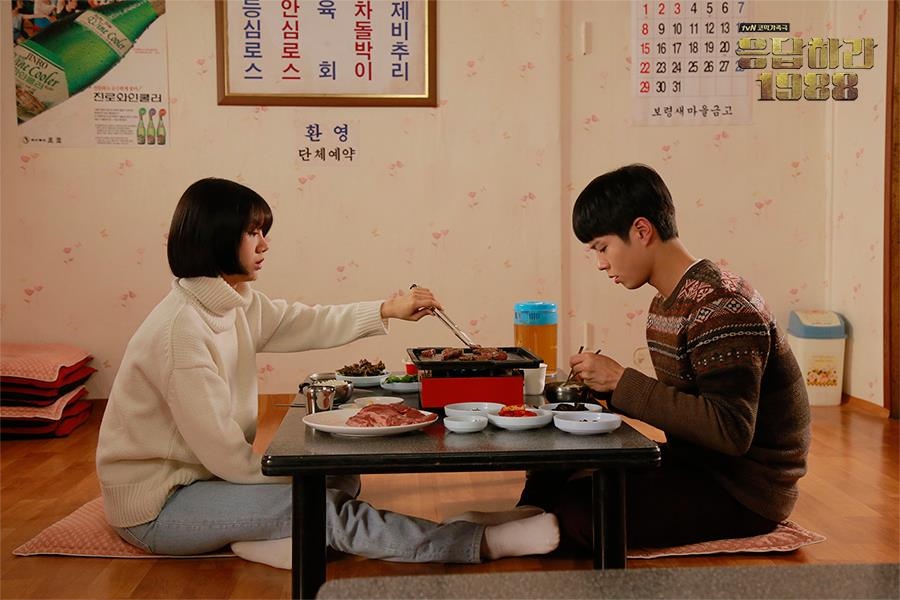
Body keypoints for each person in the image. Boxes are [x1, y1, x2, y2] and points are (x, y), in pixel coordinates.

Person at [95, 177, 558, 569]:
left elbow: (308, 321)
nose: (264, 244)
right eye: (252, 232)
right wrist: (306, 479)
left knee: (341, 475)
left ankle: (275, 539)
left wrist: (389, 309)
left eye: (263, 231)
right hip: (162, 505)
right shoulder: (180, 333)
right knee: (322, 504)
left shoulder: (234, 303)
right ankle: (477, 541)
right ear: (215, 237)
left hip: (209, 480)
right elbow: (228, 459)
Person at [452, 164, 811, 552]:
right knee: (562, 455)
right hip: (695, 464)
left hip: (744, 491)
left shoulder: (723, 307)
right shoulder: (665, 303)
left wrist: (622, 382)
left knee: (588, 510)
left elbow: (730, 431)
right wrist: (605, 391)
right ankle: (531, 515)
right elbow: (690, 409)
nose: (601, 263)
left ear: (641, 231)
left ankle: (504, 538)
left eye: (602, 247)